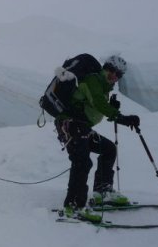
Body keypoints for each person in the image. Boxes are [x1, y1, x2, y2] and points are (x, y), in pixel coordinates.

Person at [55, 55, 140, 223]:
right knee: (82, 161)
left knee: (108, 149)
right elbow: (98, 103)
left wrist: (112, 109)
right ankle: (73, 206)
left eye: (118, 75)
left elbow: (96, 106)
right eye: (112, 72)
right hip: (70, 125)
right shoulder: (93, 80)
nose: (114, 77)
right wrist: (120, 117)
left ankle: (102, 191)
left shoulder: (103, 85)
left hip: (82, 127)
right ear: (105, 68)